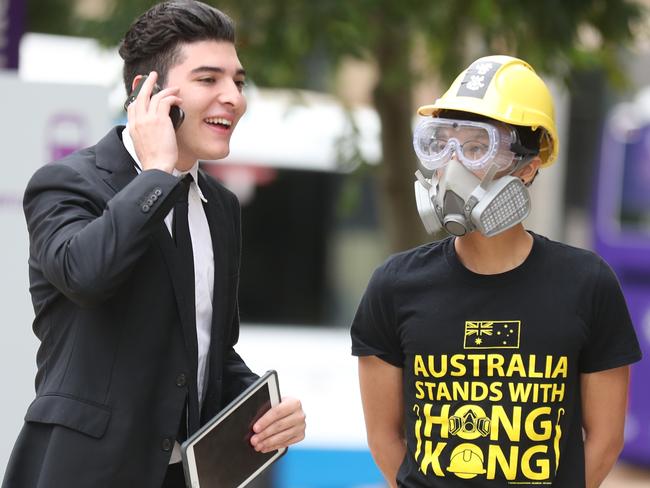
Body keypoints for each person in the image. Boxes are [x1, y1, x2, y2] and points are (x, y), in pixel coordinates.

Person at [2, 2, 305, 487]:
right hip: (82, 473)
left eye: (239, 82)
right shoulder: (66, 182)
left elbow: (209, 350)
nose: (233, 97)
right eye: (209, 80)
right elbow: (86, 276)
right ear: (150, 94)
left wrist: (264, 408)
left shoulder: (220, 206)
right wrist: (156, 174)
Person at [351, 55, 642, 488]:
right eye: (442, 144)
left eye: (476, 147)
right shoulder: (393, 286)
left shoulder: (588, 285)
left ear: (529, 164)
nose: (452, 166)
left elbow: (605, 440)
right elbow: (384, 438)